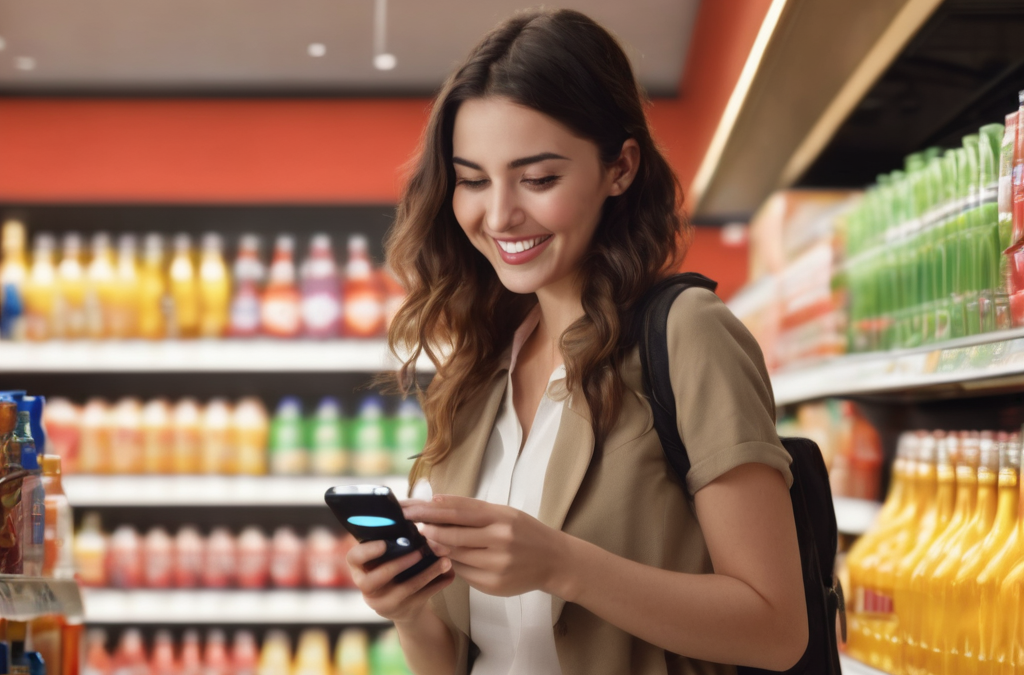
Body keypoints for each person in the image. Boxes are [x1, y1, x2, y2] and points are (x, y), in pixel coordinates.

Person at [347, 8, 808, 675]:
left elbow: (775, 626)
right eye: (473, 179)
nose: (499, 214)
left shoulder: (688, 333)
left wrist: (564, 564)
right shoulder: (480, 364)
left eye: (538, 178)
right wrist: (410, 607)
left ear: (619, 167)